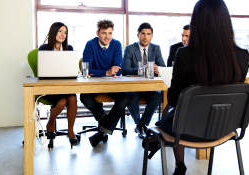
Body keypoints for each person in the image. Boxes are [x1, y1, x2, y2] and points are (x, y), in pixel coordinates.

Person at [150, 0, 249, 174]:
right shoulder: (242, 55)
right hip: (225, 129)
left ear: (197, 23)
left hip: (186, 131)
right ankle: (155, 141)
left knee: (168, 119)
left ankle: (174, 160)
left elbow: (173, 99)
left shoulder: (185, 54)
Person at [80, 19, 129, 147]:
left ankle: (102, 132)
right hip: (94, 85)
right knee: (84, 97)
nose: (107, 36)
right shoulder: (90, 45)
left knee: (124, 98)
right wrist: (106, 72)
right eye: (104, 33)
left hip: (111, 85)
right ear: (98, 33)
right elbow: (85, 70)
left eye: (110, 33)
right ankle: (104, 118)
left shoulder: (117, 45)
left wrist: (100, 72)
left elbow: (117, 72)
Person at [39, 22, 80, 148]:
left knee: (72, 98)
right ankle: (50, 122)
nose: (63, 34)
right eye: (60, 31)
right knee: (62, 102)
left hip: (66, 86)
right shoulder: (44, 48)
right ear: (54, 32)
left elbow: (70, 70)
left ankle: (71, 131)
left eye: (65, 32)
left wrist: (74, 70)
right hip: (49, 87)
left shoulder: (69, 49)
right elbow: (42, 71)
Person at [122, 22, 166, 139]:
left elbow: (164, 67)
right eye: (142, 34)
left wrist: (159, 69)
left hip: (150, 86)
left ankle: (142, 124)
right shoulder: (130, 49)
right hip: (134, 87)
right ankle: (138, 123)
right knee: (131, 98)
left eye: (148, 34)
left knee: (158, 96)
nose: (145, 37)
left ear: (152, 36)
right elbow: (125, 70)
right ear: (138, 35)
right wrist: (141, 70)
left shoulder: (156, 48)